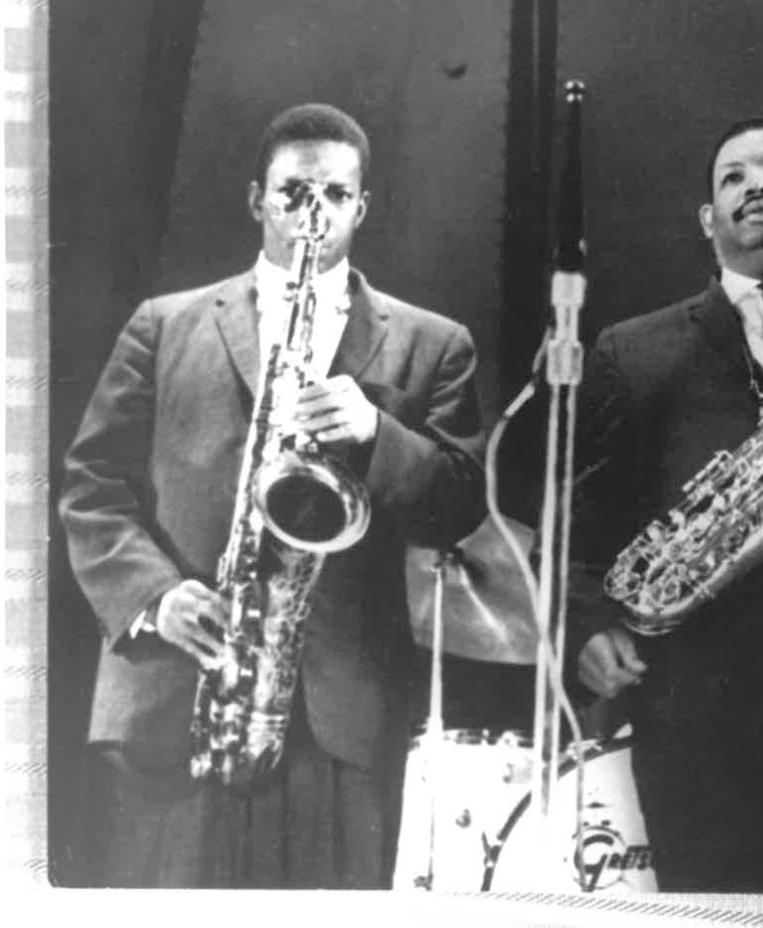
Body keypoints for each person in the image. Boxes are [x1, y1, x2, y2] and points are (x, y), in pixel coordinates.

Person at [59, 103, 487, 887]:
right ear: (258, 199)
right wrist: (157, 598)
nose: (311, 215)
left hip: (340, 721)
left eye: (333, 195)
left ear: (362, 206)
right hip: (178, 695)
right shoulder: (163, 325)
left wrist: (375, 434)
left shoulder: (436, 343)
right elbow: (92, 487)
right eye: (293, 194)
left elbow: (462, 506)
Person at [567, 116, 763, 892]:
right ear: (708, 220)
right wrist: (587, 623)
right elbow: (590, 519)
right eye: (734, 177)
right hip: (697, 713)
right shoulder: (632, 349)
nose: (759, 188)